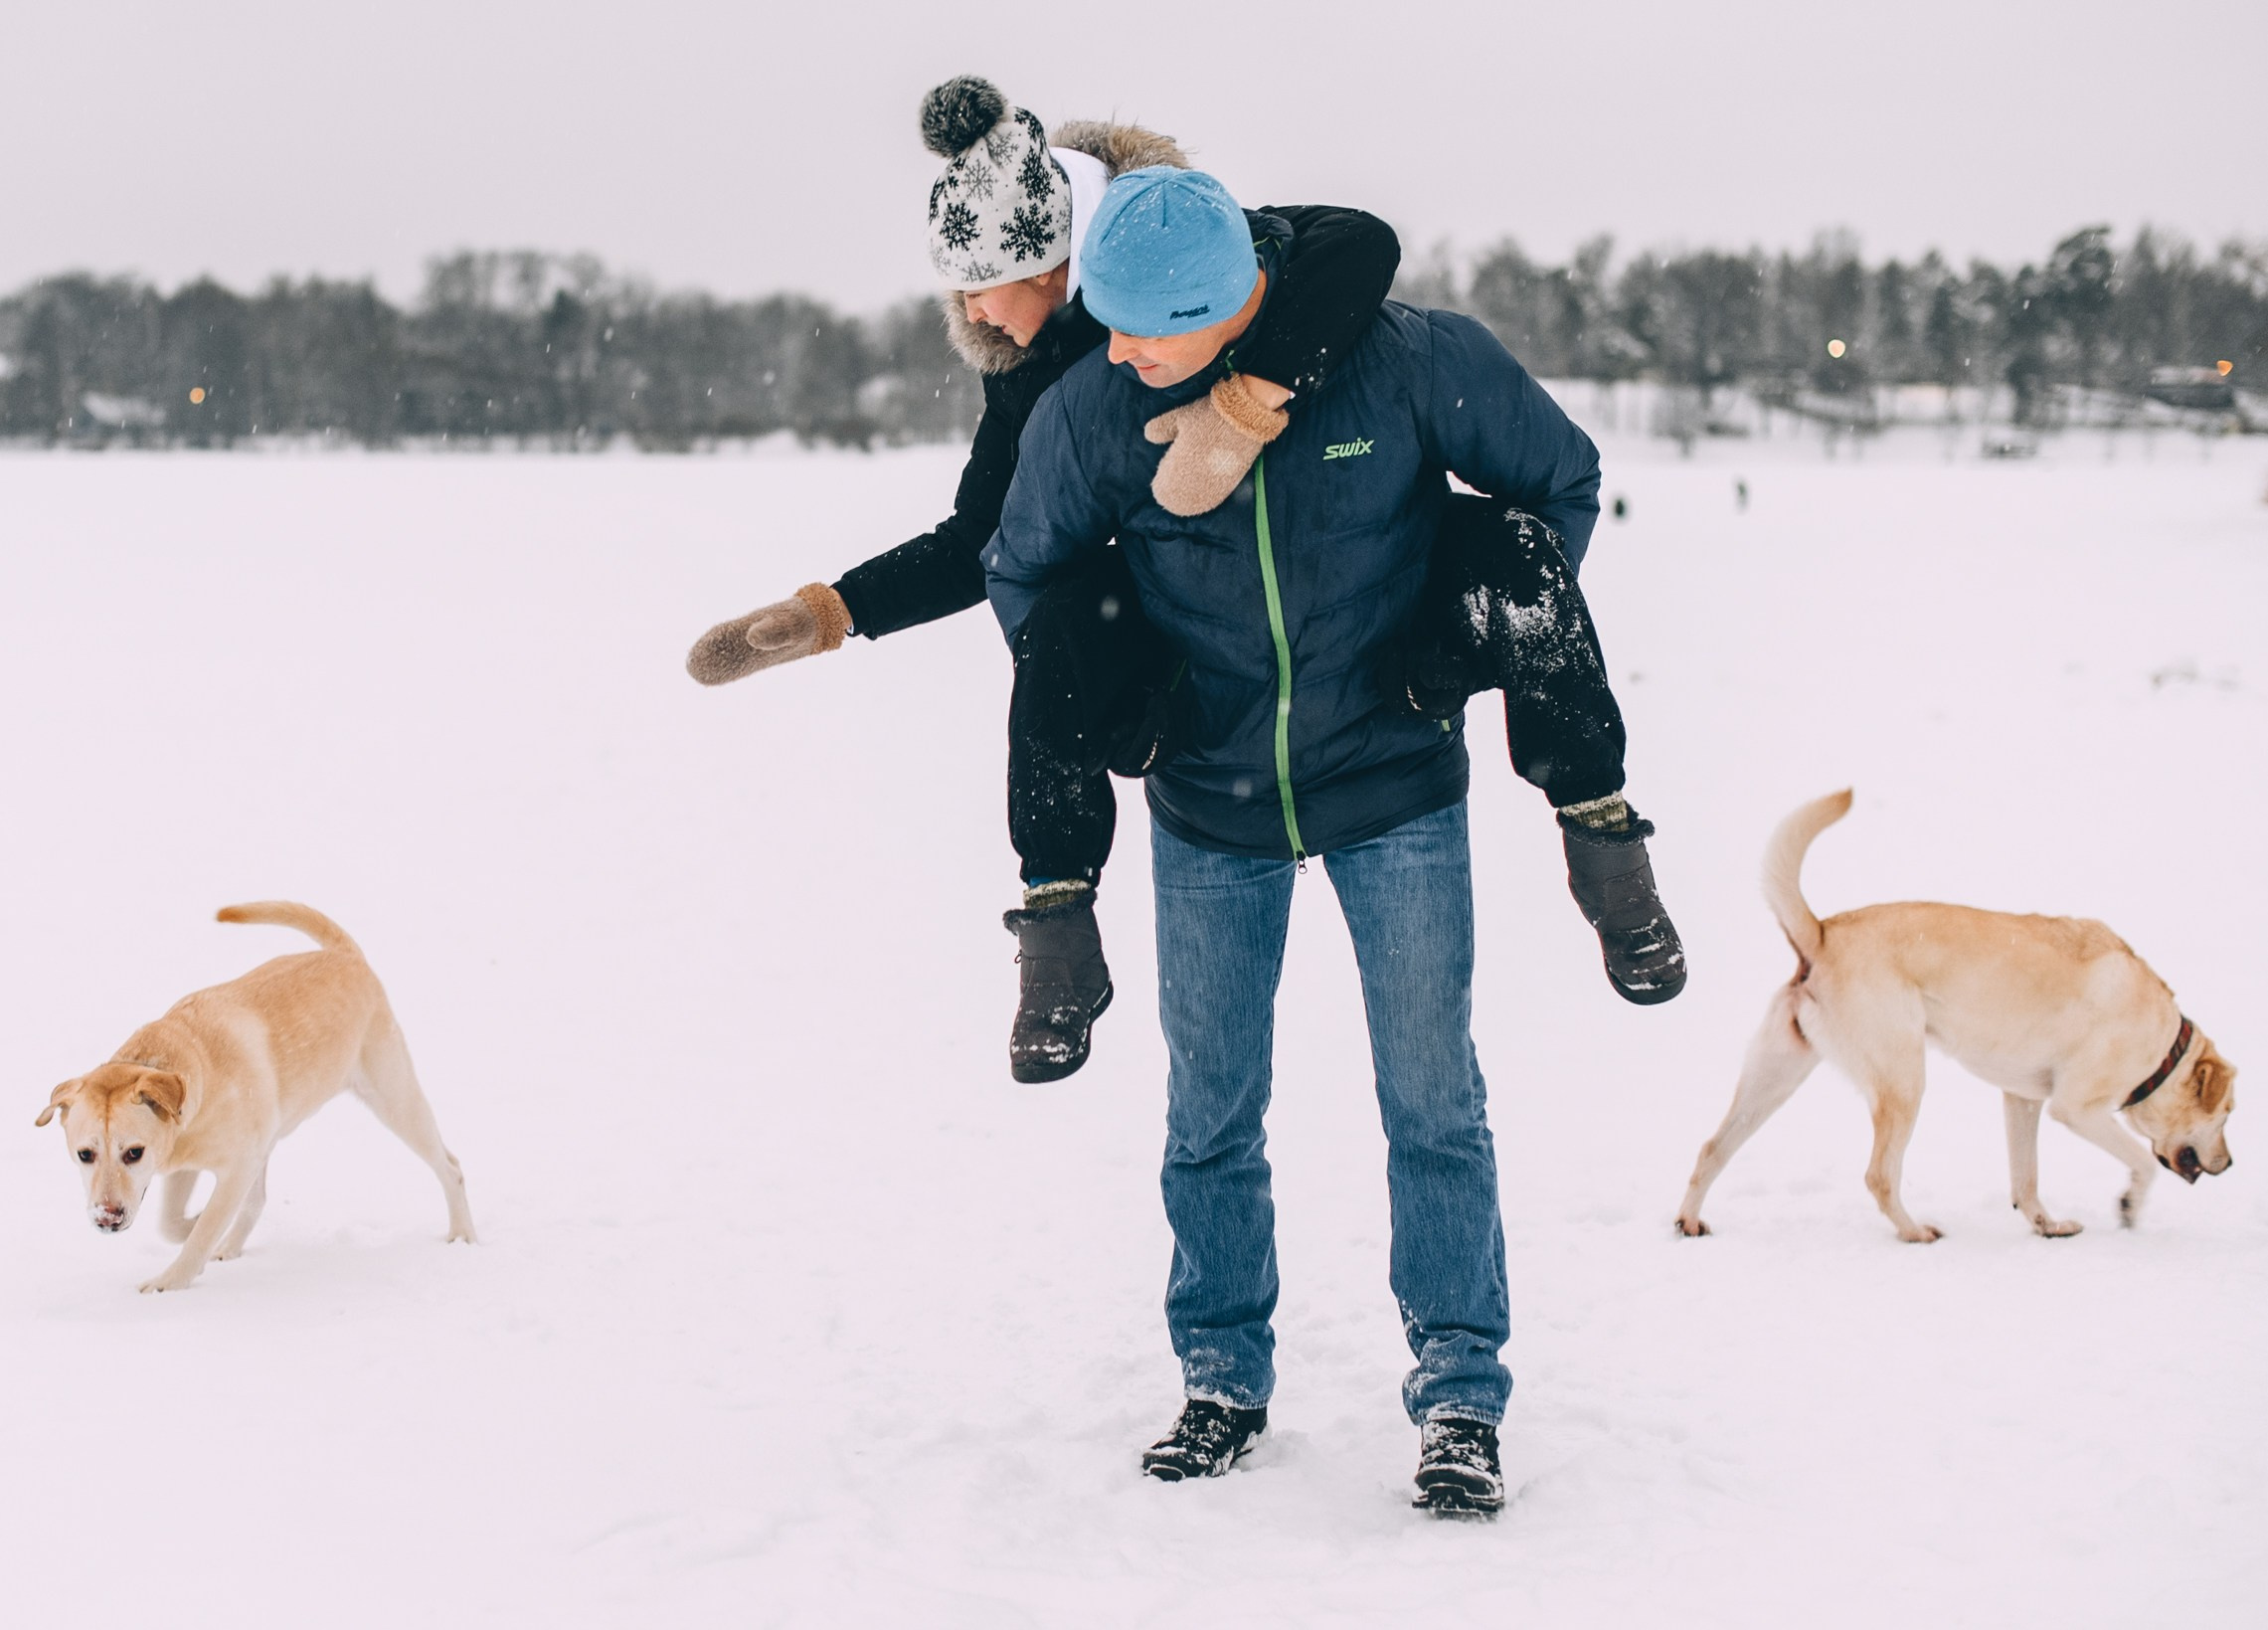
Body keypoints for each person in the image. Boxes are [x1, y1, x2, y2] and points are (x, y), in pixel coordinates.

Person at [984, 166, 1680, 1516]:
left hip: (1395, 786)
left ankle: (1461, 1389)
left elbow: (1560, 484)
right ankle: (1221, 1372)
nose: (1115, 348)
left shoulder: (1410, 364)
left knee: (1432, 1102)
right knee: (1210, 1110)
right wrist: (1131, 706)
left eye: (1141, 327)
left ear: (1224, 302)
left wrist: (1458, 638)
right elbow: (1025, 572)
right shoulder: (1092, 412)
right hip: (1208, 804)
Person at [684, 78, 1405, 1082]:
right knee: (1059, 627)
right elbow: (983, 537)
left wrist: (1244, 400)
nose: (972, 307)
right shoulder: (1027, 379)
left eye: (982, 281)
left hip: (1305, 598)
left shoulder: (1175, 252)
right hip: (1164, 630)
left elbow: (1358, 244)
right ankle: (1059, 929)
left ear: (1051, 262)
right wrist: (830, 611)